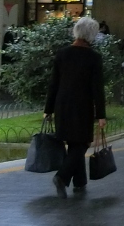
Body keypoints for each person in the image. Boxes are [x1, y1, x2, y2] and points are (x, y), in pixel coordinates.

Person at [43, 17, 108, 197]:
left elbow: (54, 83)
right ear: (92, 35)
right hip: (82, 106)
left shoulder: (62, 54)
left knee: (73, 142)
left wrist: (48, 109)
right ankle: (62, 177)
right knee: (82, 142)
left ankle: (80, 182)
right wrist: (101, 114)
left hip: (62, 104)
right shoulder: (93, 57)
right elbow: (97, 88)